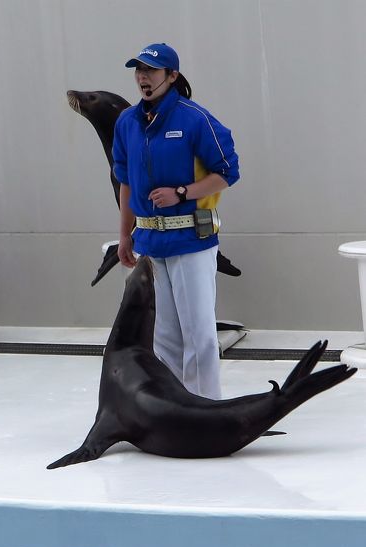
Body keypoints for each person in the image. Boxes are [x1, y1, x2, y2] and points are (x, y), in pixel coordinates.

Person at [112, 42, 239, 399]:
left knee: (198, 333)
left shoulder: (193, 118)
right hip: (150, 244)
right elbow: (125, 181)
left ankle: (207, 409)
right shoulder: (127, 122)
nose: (143, 78)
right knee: (163, 335)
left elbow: (227, 172)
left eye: (151, 71)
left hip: (190, 241)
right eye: (139, 71)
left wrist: (181, 193)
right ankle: (175, 407)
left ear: (172, 75)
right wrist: (125, 235)